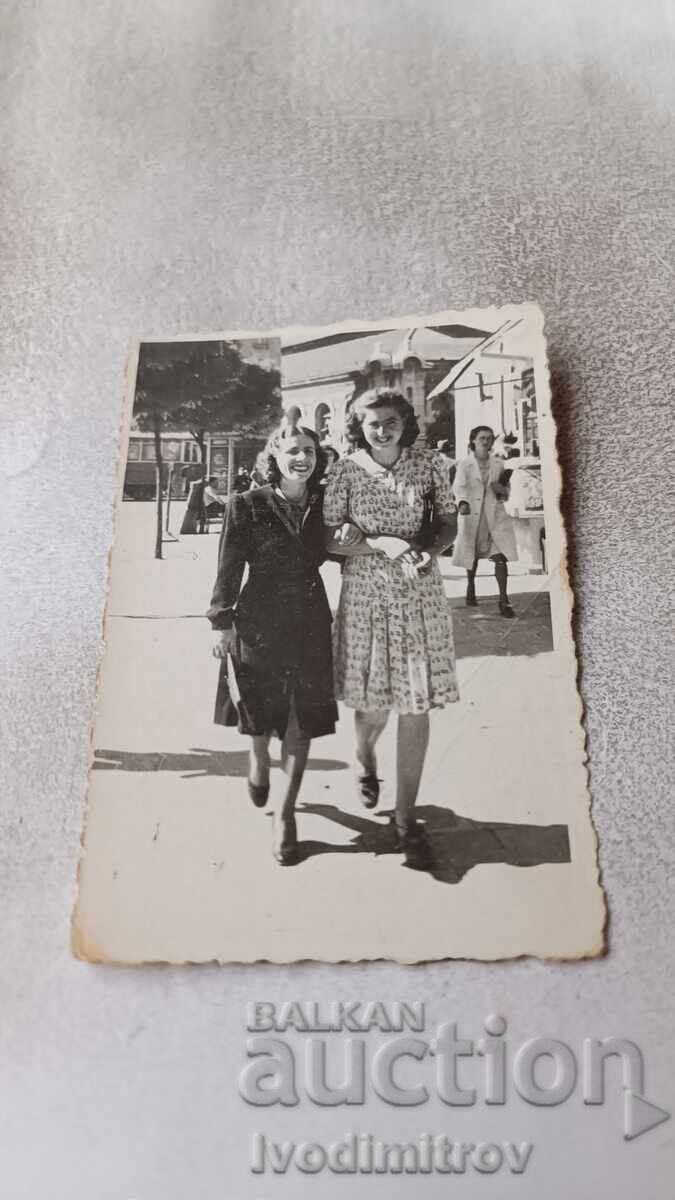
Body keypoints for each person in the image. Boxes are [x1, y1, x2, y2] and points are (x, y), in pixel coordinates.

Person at [324, 388, 459, 870]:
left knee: (416, 703)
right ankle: (364, 755)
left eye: (390, 422)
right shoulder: (344, 470)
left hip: (418, 593)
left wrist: (429, 550)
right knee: (373, 705)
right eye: (372, 423)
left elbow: (448, 522)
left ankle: (405, 822)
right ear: (358, 427)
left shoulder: (428, 465)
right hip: (365, 595)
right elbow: (328, 538)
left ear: (404, 423)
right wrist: (379, 542)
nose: (381, 430)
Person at [207, 420, 338, 865]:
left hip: (310, 620)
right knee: (260, 713)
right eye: (293, 451)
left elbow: (339, 548)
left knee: (302, 718)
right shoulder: (246, 505)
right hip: (259, 621)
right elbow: (228, 567)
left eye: (309, 451)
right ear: (274, 457)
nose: (302, 458)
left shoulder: (326, 503)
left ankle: (285, 815)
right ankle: (258, 755)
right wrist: (221, 623)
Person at [452, 425, 518, 617]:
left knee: (501, 556)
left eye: (489, 438)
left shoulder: (498, 464)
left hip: (494, 516)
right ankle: (471, 586)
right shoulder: (464, 464)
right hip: (473, 515)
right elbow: (458, 487)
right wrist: (462, 502)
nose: (486, 441)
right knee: (471, 554)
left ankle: (504, 600)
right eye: (482, 438)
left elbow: (505, 492)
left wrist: (501, 490)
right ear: (473, 440)